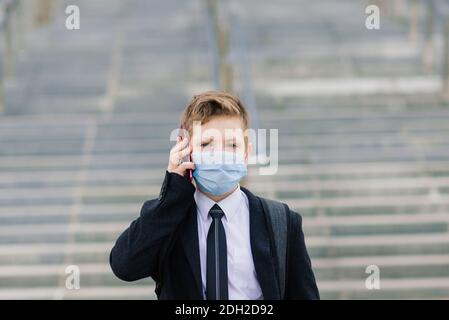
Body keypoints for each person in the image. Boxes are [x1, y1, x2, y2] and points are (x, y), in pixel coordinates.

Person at [109, 91, 319, 300]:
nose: (220, 154)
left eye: (232, 144)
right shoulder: (167, 218)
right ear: (186, 151)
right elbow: (124, 266)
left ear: (247, 153)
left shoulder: (281, 221)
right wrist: (173, 190)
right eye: (206, 144)